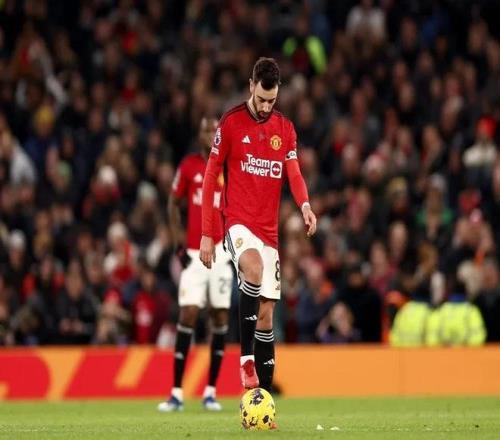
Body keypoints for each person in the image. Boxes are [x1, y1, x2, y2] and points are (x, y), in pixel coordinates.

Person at [199, 58, 317, 392]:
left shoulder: (285, 129)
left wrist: (305, 205)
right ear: (251, 85)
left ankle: (261, 400)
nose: (266, 107)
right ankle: (245, 359)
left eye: (272, 101)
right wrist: (207, 232)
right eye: (261, 99)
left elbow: (294, 173)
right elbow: (210, 176)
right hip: (237, 222)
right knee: (252, 267)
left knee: (266, 317)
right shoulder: (231, 123)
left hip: (269, 233)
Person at [158, 118, 234, 412]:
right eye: (205, 130)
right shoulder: (189, 166)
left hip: (222, 252)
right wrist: (178, 243)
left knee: (220, 317)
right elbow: (173, 203)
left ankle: (211, 392)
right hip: (193, 251)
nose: (210, 135)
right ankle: (176, 393)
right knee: (188, 313)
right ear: (199, 135)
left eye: (214, 130)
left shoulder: (229, 166)